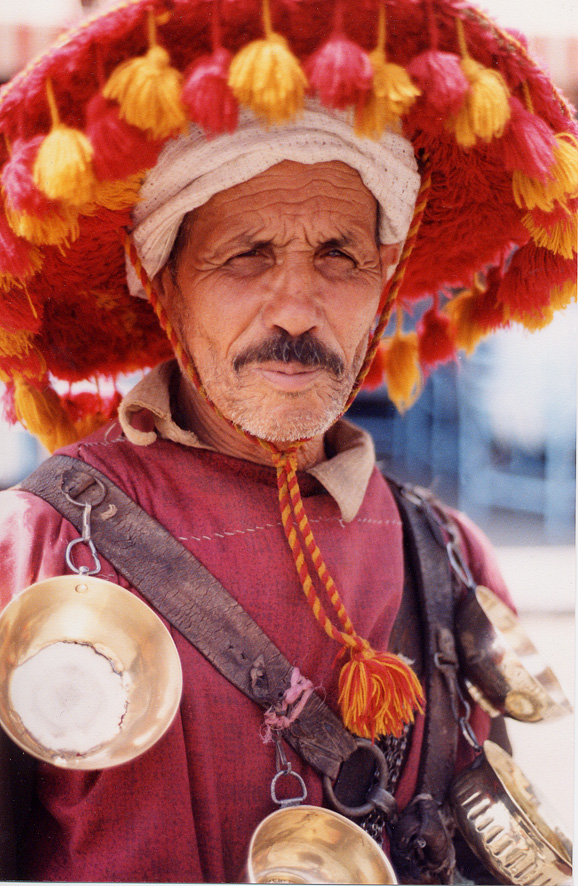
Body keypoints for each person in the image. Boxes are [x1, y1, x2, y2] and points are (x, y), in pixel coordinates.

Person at [0, 0, 575, 882]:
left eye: (340, 254)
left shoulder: (452, 561)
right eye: (248, 255)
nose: (299, 310)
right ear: (163, 283)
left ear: (384, 283)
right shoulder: (34, 549)